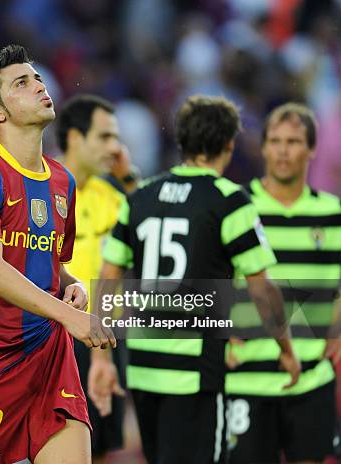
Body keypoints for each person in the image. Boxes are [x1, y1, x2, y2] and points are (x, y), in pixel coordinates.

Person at [90, 95, 301, 463]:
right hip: (195, 373)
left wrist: (102, 361)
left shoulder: (140, 197)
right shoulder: (228, 201)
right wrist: (286, 348)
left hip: (143, 369)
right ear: (229, 144)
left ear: (182, 141)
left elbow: (108, 279)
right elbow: (262, 288)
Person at [0, 44, 115, 464]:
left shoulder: (63, 180)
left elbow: (52, 264)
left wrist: (71, 288)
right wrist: (69, 314)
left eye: (37, 78)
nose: (40, 86)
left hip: (49, 358)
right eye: (22, 83)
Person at [225, 103, 341, 463]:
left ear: (311, 149)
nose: (283, 150)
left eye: (293, 141)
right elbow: (212, 276)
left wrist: (337, 329)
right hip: (246, 375)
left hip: (312, 376)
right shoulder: (236, 206)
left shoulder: (333, 213)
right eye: (275, 141)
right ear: (263, 148)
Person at [56, 94, 129, 463]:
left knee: (100, 449)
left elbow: (158, 222)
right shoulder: (43, 189)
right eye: (104, 137)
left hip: (107, 335)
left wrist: (129, 178)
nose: (114, 148)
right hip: (56, 336)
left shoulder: (113, 196)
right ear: (74, 138)